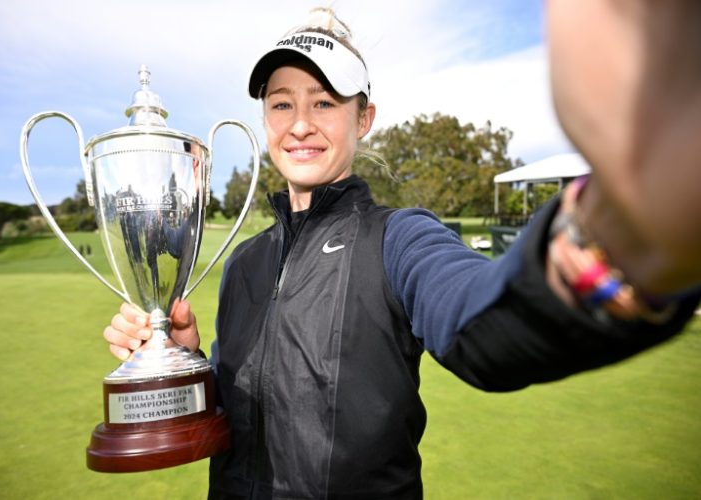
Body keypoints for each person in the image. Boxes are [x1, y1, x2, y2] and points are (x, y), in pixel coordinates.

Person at [103, 3, 701, 498]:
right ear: (264, 118)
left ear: (364, 119)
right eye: (282, 103)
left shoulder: (400, 237)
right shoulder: (243, 264)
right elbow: (241, 422)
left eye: (325, 102)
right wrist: (186, 365)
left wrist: (622, 240)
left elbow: (484, 327)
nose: (301, 123)